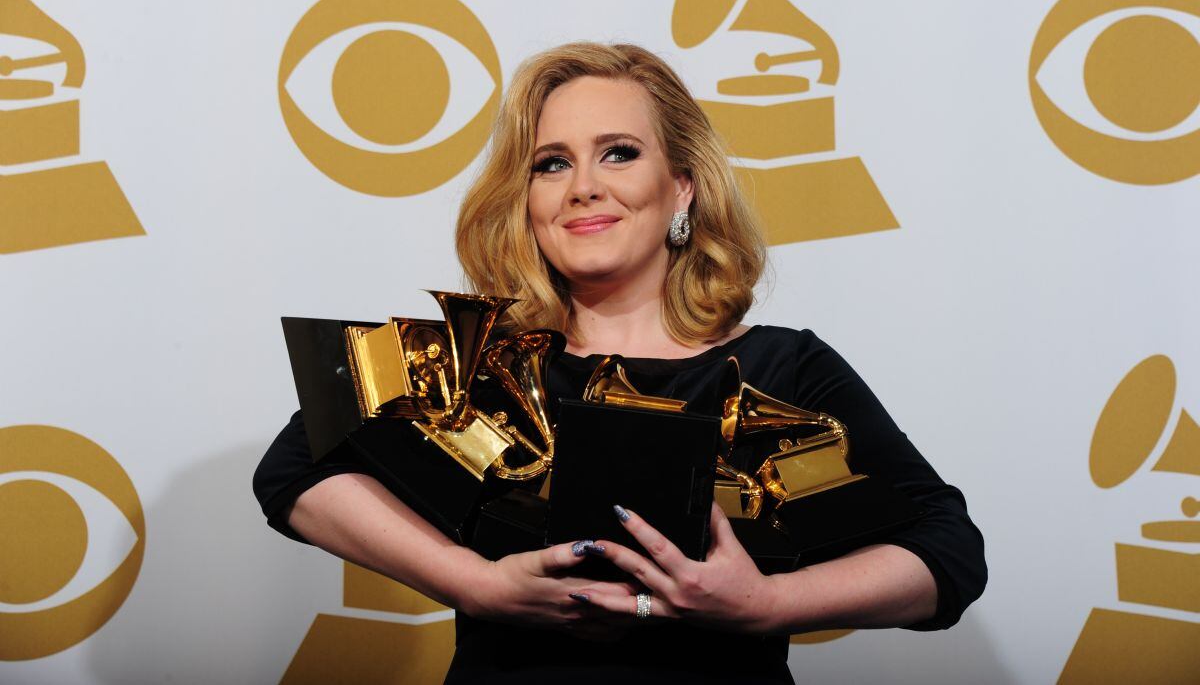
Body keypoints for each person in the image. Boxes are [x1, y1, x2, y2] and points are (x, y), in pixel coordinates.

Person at [253, 43, 986, 683]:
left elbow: (946, 552)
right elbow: (294, 470)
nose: (583, 187)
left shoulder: (781, 366)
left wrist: (765, 605)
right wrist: (476, 585)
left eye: (619, 152)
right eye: (551, 164)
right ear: (527, 201)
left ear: (682, 186)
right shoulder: (480, 363)